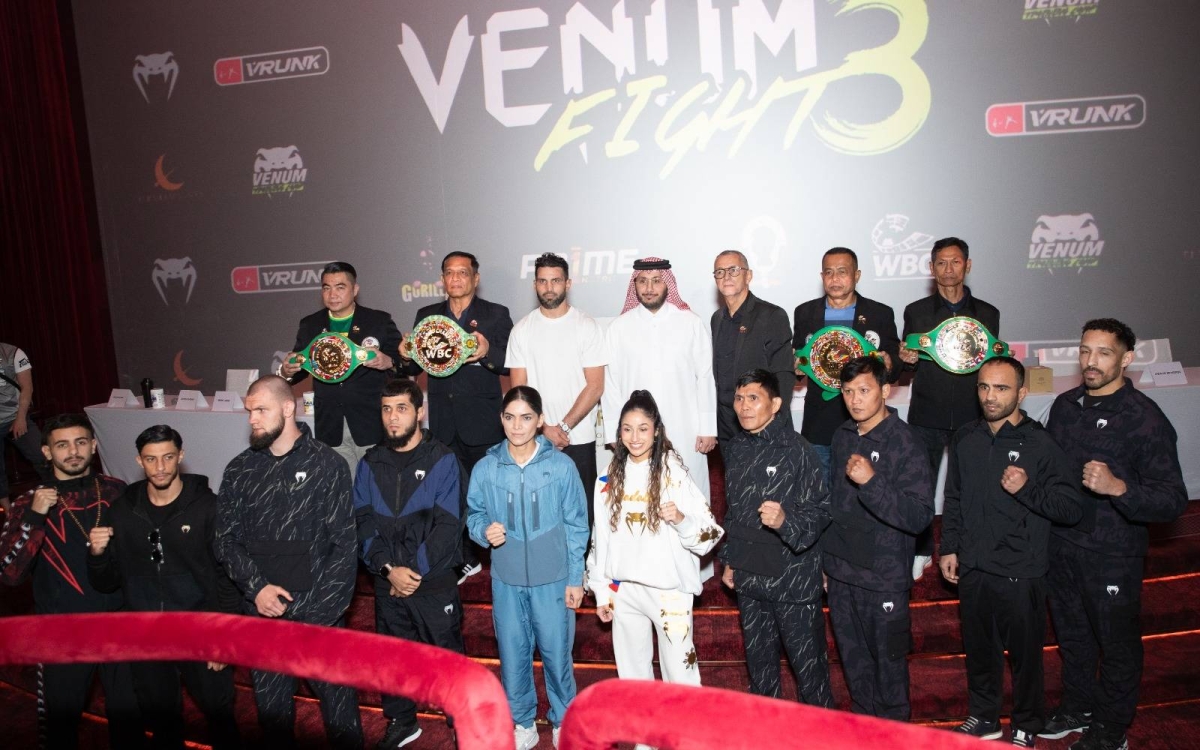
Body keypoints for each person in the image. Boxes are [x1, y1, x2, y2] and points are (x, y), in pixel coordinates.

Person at [1041, 319, 1187, 750]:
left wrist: (1119, 488)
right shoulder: (1065, 405)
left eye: (1104, 353)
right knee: (1073, 637)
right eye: (1085, 351)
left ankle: (1111, 728)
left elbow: (1172, 500)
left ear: (1126, 359)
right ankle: (1078, 708)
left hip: (1112, 553)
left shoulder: (1144, 418)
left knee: (1116, 644)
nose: (1091, 361)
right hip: (1062, 545)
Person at [214, 376, 363, 749]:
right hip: (263, 614)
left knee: (340, 715)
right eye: (249, 411)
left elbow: (345, 545)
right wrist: (257, 590)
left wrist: (317, 617)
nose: (252, 419)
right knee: (272, 717)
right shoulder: (239, 469)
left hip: (318, 616)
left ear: (287, 408)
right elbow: (225, 540)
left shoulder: (327, 464)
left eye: (261, 410)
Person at [939, 358, 1081, 747]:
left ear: (1021, 393)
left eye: (1001, 388)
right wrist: (949, 546)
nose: (990, 396)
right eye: (984, 387)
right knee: (979, 650)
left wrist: (1027, 490)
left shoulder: (1040, 443)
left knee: (1025, 656)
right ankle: (985, 717)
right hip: (974, 565)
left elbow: (1071, 508)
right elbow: (954, 497)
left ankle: (1026, 722)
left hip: (1021, 568)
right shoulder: (965, 436)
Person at [87, 424, 242, 750]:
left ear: (180, 456)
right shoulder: (121, 512)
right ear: (139, 461)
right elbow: (108, 583)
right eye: (151, 459)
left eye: (168, 457)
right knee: (162, 723)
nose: (160, 467)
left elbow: (228, 576)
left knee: (220, 716)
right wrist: (98, 555)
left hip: (201, 631)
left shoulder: (208, 508)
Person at [0, 413, 143, 749]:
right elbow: (9, 573)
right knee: (61, 724)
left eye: (80, 442)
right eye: (62, 445)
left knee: (130, 718)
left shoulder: (117, 491)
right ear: (47, 452)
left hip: (119, 622)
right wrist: (35, 517)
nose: (73, 451)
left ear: (93, 446)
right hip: (63, 630)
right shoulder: (29, 501)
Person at [467, 386, 589, 750]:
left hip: (553, 579)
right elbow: (474, 514)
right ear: (501, 419)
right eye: (509, 417)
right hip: (506, 580)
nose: (517, 426)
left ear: (539, 421)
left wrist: (575, 578)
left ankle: (563, 719)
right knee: (512, 655)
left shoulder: (561, 466)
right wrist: (482, 531)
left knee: (557, 654)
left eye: (525, 418)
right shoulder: (486, 468)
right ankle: (522, 722)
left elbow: (577, 524)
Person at [353, 379, 467, 750]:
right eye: (386, 409)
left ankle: (462, 724)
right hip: (388, 582)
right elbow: (362, 521)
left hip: (432, 581)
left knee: (447, 659)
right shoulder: (370, 462)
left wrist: (412, 572)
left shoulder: (443, 459)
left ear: (420, 412)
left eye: (401, 408)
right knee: (393, 659)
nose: (393, 417)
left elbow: (448, 525)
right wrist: (389, 570)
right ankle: (402, 722)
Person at [587, 391, 724, 689]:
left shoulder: (673, 472)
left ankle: (683, 722)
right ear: (619, 432)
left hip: (669, 591)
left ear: (657, 430)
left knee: (681, 676)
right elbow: (600, 538)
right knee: (633, 677)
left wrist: (682, 520)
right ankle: (643, 723)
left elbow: (710, 534)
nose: (635, 437)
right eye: (627, 429)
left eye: (643, 428)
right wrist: (601, 591)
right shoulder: (607, 477)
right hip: (624, 590)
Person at [824, 357, 934, 721]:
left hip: (883, 578)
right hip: (843, 573)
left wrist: (872, 483)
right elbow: (834, 505)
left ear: (885, 390)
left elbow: (919, 517)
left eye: (864, 390)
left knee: (889, 671)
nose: (855, 400)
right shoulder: (842, 436)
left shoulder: (906, 441)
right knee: (855, 665)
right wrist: (827, 562)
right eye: (848, 391)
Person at [719, 370, 832, 706]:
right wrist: (730, 560)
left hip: (793, 579)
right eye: (739, 399)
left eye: (754, 398)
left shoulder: (799, 450)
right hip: (751, 577)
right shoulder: (736, 449)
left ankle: (820, 731)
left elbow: (821, 511)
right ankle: (766, 729)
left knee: (810, 671)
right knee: (761, 671)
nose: (744, 406)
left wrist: (786, 521)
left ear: (776, 404)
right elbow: (734, 512)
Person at [400, 251, 514, 583]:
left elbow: (510, 361)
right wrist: (405, 355)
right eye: (449, 272)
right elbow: (413, 364)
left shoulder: (495, 314)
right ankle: (465, 558)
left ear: (475, 278)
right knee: (450, 496)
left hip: (483, 421)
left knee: (492, 493)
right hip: (444, 422)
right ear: (442, 279)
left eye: (462, 272)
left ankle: (503, 556)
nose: (456, 278)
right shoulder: (427, 315)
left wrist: (486, 353)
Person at [899, 237, 999, 580]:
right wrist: (907, 359)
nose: (948, 269)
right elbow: (907, 364)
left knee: (970, 487)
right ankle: (922, 550)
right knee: (920, 487)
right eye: (941, 262)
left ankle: (965, 547)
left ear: (967, 265)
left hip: (973, 414)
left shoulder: (988, 314)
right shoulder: (916, 311)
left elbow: (991, 366)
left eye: (955, 262)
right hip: (927, 413)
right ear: (931, 268)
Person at [603, 258, 717, 502]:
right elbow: (610, 384)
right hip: (637, 434)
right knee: (642, 496)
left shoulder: (691, 323)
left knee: (690, 495)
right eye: (642, 281)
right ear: (634, 285)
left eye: (656, 281)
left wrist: (708, 429)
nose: (649, 288)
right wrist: (615, 432)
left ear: (668, 284)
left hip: (686, 429)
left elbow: (705, 376)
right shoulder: (618, 328)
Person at [507, 252, 606, 528]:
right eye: (542, 281)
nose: (549, 287)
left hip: (579, 438)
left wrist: (562, 427)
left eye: (556, 280)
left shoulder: (587, 326)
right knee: (539, 512)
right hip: (535, 439)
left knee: (580, 512)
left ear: (568, 284)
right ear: (534, 285)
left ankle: (581, 557)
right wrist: (544, 429)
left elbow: (596, 385)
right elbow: (519, 392)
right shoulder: (521, 330)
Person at [280, 261, 402, 472]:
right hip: (330, 424)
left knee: (378, 484)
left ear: (355, 290)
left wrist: (389, 361)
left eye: (340, 287)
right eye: (326, 288)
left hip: (371, 422)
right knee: (340, 486)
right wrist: (287, 371)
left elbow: (405, 364)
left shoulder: (378, 321)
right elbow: (300, 367)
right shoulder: (310, 325)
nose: (332, 294)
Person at [791, 248, 899, 479]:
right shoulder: (804, 312)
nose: (835, 278)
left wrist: (890, 363)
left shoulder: (880, 313)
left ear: (857, 275)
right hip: (819, 422)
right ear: (822, 277)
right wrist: (796, 367)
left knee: (863, 489)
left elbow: (896, 363)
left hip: (866, 423)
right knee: (819, 490)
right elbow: (799, 357)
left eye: (842, 272)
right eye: (828, 272)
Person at [710, 250, 795, 442]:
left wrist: (774, 424)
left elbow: (783, 374)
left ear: (748, 276)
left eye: (733, 270)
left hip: (761, 424)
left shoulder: (771, 315)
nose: (726, 277)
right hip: (726, 424)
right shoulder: (717, 319)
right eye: (720, 272)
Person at [1, 341, 49, 512]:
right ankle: (8, 511)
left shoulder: (13, 353)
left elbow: (27, 388)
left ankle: (59, 494)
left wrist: (21, 418)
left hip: (15, 416)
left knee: (41, 454)